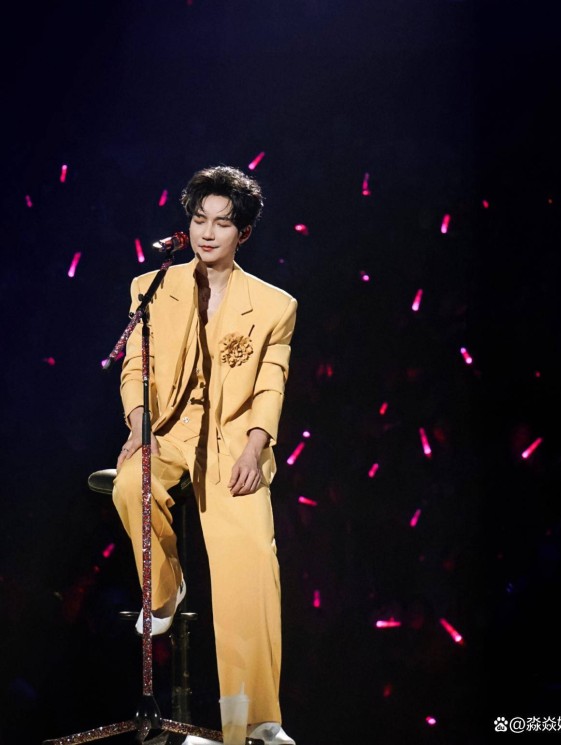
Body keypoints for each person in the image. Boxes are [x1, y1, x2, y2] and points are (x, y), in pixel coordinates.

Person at [112, 165, 297, 745]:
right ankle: (165, 590)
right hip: (167, 433)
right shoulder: (151, 288)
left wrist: (255, 446)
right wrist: (139, 426)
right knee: (130, 485)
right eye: (199, 220)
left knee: (251, 570)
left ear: (244, 233)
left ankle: (253, 722)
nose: (208, 232)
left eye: (222, 223)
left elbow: (271, 384)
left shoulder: (273, 305)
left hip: (233, 445)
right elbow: (135, 367)